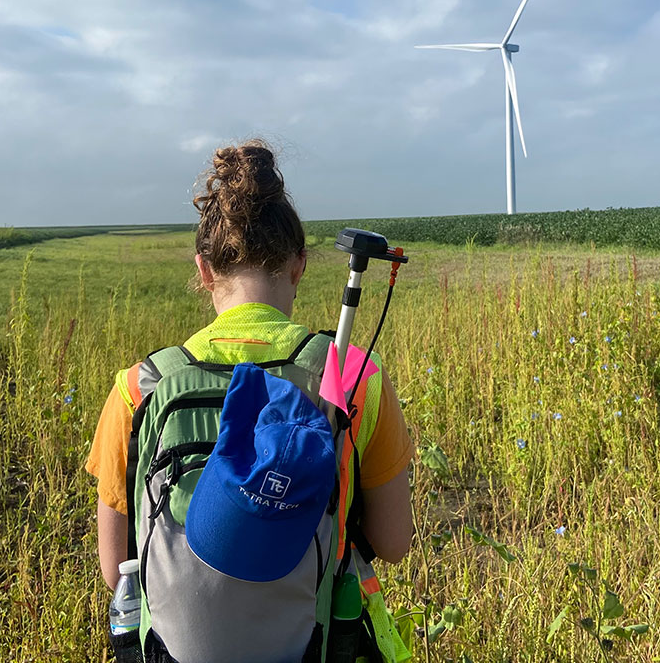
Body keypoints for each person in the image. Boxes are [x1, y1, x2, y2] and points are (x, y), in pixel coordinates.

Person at [84, 140, 414, 660]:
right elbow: (393, 542)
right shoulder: (351, 378)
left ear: (204, 270)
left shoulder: (139, 389)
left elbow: (115, 567)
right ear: (300, 265)